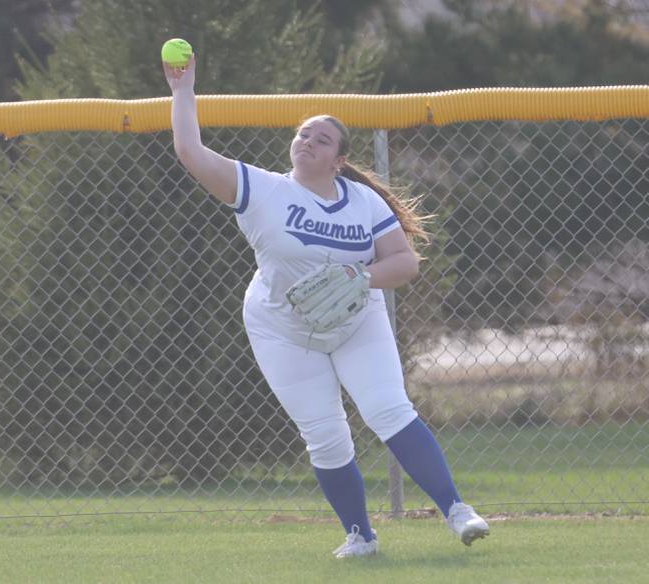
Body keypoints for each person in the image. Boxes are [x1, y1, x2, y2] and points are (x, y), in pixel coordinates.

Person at [163, 54, 490, 558]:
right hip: (281, 329)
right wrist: (182, 91)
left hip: (357, 319)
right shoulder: (262, 190)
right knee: (326, 436)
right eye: (303, 133)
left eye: (322, 138)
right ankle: (360, 536)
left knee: (387, 409)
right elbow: (190, 152)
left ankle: (456, 510)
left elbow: (404, 264)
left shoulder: (362, 202)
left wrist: (359, 276)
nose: (308, 141)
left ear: (339, 159)